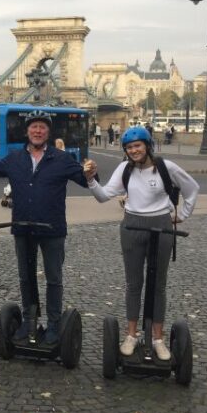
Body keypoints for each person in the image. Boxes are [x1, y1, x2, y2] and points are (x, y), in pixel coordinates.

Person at [0, 109, 91, 345]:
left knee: (54, 278)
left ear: (48, 132)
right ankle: (29, 319)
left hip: (52, 228)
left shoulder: (62, 158)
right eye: (33, 127)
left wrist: (90, 172)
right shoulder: (15, 158)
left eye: (42, 127)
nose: (37, 131)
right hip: (23, 226)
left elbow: (85, 180)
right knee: (26, 278)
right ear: (27, 131)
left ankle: (54, 323)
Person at [84, 126, 199, 361]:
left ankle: (157, 338)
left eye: (137, 146)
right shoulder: (125, 169)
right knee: (133, 283)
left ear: (147, 145)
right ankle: (131, 334)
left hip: (161, 226)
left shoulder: (166, 167)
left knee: (158, 285)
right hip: (132, 227)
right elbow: (104, 196)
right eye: (129, 148)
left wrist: (183, 214)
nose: (133, 151)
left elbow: (191, 188)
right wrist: (90, 180)